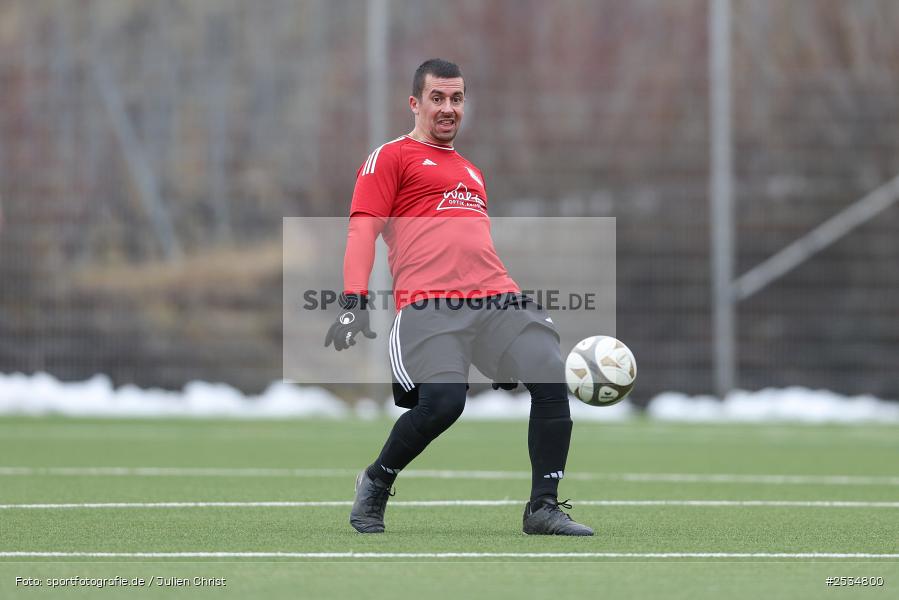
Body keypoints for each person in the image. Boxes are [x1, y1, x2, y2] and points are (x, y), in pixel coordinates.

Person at [325, 58, 593, 536]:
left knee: (549, 373)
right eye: (438, 98)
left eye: (456, 98)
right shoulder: (391, 157)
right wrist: (353, 299)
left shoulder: (472, 171)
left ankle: (543, 508)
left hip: (497, 298)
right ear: (415, 103)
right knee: (444, 403)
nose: (448, 108)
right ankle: (377, 480)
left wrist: (502, 349)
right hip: (430, 304)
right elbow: (362, 230)